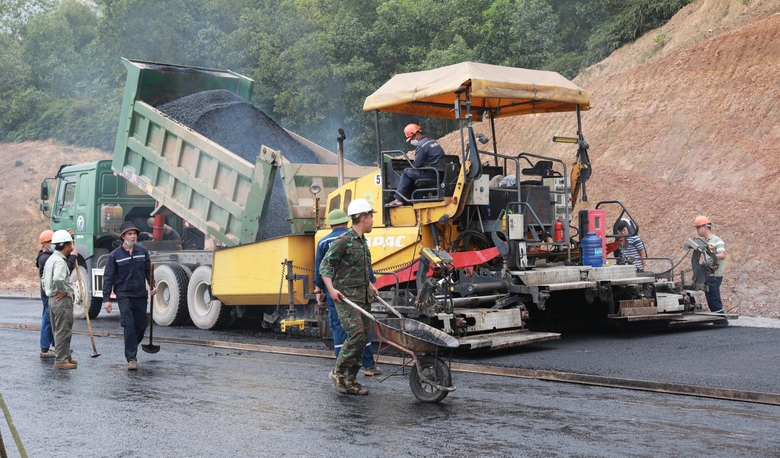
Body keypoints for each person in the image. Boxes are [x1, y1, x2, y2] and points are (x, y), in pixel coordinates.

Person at [319, 199, 379, 395]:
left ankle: (351, 380)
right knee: (356, 336)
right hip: (344, 299)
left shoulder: (363, 243)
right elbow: (325, 267)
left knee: (362, 340)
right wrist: (331, 290)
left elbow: (361, 270)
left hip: (362, 298)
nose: (372, 220)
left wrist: (370, 285)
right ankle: (338, 373)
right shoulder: (343, 240)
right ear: (363, 218)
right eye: (371, 217)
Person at [102, 221, 157, 370]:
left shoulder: (142, 251)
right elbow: (108, 278)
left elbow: (147, 271)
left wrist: (152, 285)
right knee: (129, 325)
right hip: (124, 295)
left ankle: (130, 344)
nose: (133, 237)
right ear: (123, 237)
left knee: (141, 326)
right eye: (130, 234)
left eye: (135, 234)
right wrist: (106, 299)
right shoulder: (114, 256)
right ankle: (131, 358)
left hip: (140, 294)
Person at [35, 229, 78, 358]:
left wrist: (66, 238)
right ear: (45, 244)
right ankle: (45, 348)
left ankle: (59, 348)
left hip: (50, 293)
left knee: (55, 323)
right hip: (54, 294)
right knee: (50, 322)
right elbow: (63, 273)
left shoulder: (48, 257)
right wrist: (72, 257)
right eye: (51, 242)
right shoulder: (46, 258)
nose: (54, 245)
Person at [385, 123, 445, 207]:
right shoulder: (432, 141)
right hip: (440, 174)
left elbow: (416, 165)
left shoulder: (421, 145)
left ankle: (398, 200)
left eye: (411, 139)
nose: (411, 141)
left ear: (417, 134)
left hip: (432, 174)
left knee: (406, 172)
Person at [694, 215, 728, 325]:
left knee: (713, 297)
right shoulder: (706, 242)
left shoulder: (716, 240)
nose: (697, 230)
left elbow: (722, 255)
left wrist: (711, 255)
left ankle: (721, 321)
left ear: (705, 227)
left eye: (698, 227)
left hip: (715, 274)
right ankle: (719, 319)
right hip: (708, 273)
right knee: (711, 297)